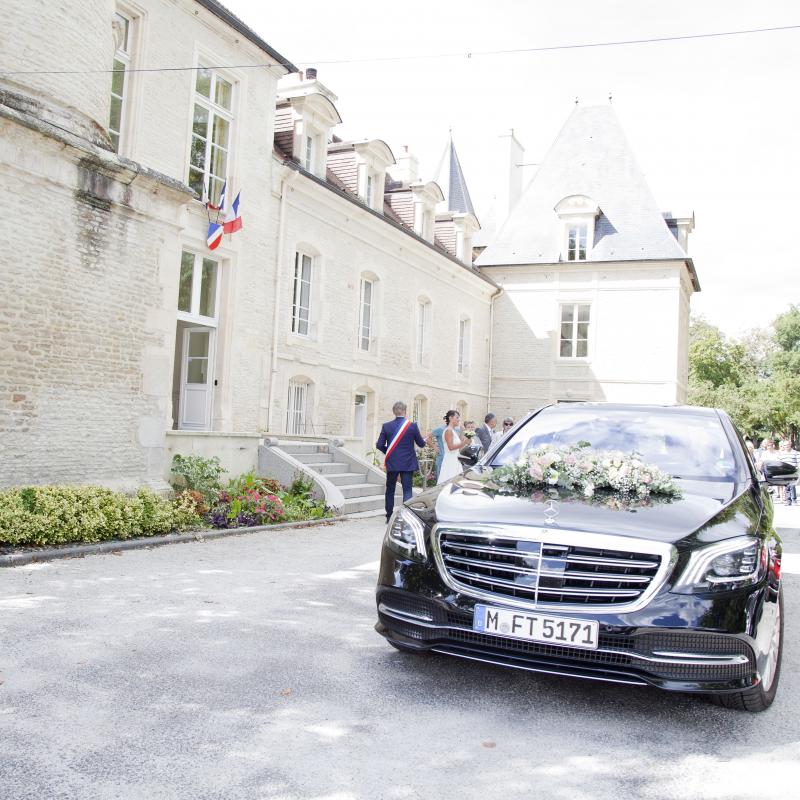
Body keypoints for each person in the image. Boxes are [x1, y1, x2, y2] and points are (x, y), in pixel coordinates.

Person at [376, 401, 426, 522]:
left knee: (390, 489)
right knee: (407, 489)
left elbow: (379, 445)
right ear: (405, 411)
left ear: (394, 411)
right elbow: (421, 444)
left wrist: (389, 452)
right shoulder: (412, 426)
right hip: (407, 463)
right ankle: (405, 517)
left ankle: (388, 516)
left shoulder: (386, 426)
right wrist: (425, 439)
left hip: (392, 463)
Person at [437, 409, 466, 484]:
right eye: (457, 417)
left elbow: (459, 446)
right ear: (450, 418)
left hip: (456, 459)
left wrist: (463, 432)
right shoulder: (448, 431)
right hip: (450, 460)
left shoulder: (453, 431)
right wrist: (465, 442)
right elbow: (451, 447)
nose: (459, 420)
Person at [778, 438, 798, 506]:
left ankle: (794, 500)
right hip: (785, 472)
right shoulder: (781, 454)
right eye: (785, 445)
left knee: (792, 485)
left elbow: (798, 462)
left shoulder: (795, 453)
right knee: (786, 486)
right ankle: (788, 500)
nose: (786, 446)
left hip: (793, 471)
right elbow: (780, 463)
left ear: (790, 445)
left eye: (788, 445)